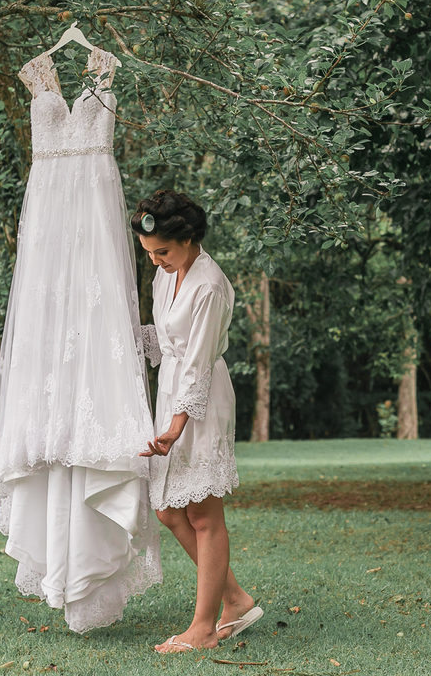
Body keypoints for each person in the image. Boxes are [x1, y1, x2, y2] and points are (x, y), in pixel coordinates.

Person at [0, 46, 161, 633]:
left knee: (93, 332)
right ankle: (66, 563)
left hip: (93, 211)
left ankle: (85, 571)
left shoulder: (104, 73)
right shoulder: (37, 78)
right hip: (49, 226)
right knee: (51, 348)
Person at [131, 190, 262, 653]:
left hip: (200, 402)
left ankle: (204, 626)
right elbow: (165, 340)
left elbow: (198, 363)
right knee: (169, 510)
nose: (156, 262)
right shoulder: (165, 279)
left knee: (204, 515)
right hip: (171, 391)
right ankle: (236, 600)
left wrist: (176, 425)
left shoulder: (209, 284)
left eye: (162, 252)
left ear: (187, 240)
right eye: (150, 254)